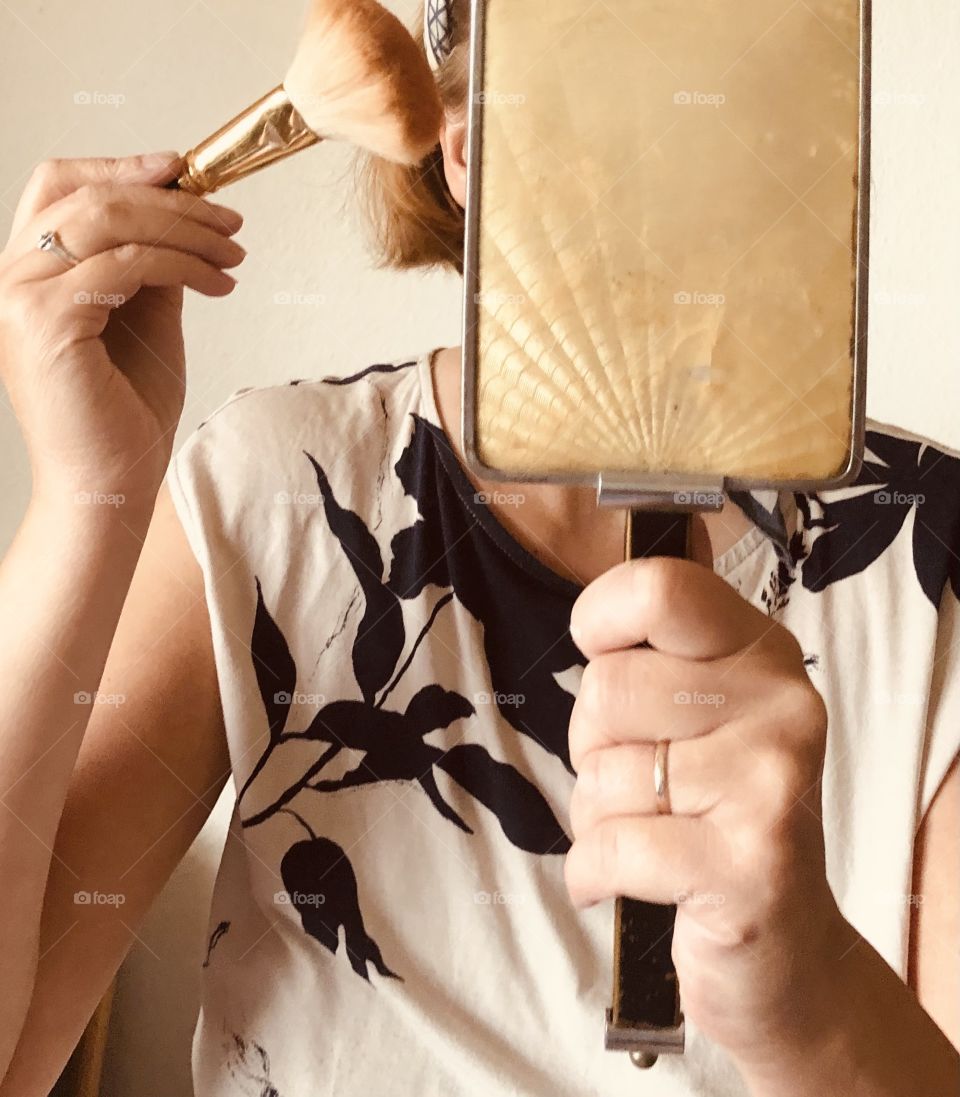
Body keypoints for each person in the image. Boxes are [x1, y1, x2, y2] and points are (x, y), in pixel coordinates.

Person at [0, 2, 958, 1094]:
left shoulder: (929, 554)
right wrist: (86, 498)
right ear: (470, 146)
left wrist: (806, 998)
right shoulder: (279, 490)